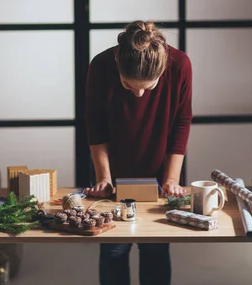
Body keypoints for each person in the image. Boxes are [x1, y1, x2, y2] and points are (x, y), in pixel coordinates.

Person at [83, 20, 193, 285]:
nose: (140, 94)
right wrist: (104, 178)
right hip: (111, 164)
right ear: (118, 63)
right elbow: (95, 125)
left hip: (159, 163)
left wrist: (171, 180)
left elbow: (181, 122)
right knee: (114, 248)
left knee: (155, 246)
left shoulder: (180, 65)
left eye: (149, 86)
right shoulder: (100, 65)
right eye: (128, 85)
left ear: (163, 69)